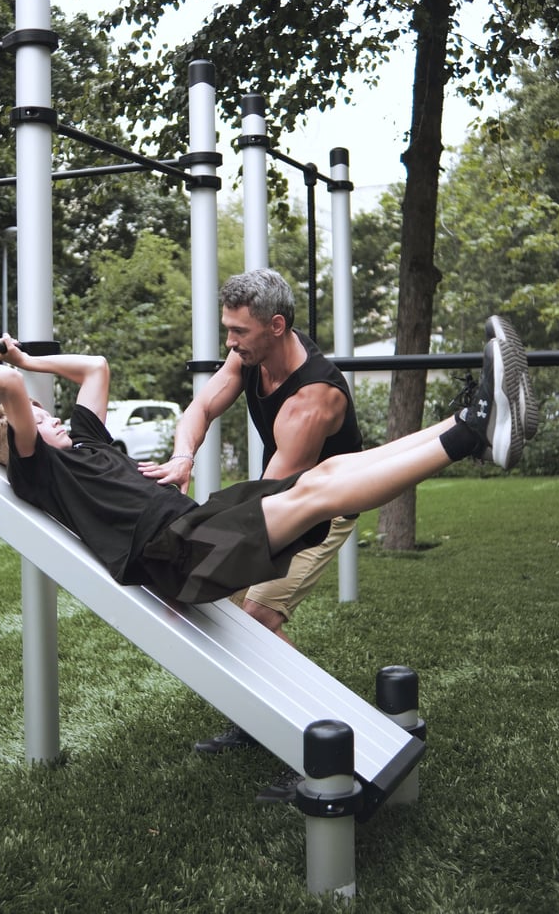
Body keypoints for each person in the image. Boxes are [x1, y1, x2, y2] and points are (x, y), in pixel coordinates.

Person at [0, 317, 535, 614]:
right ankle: (473, 431)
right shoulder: (38, 469)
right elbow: (13, 395)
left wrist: (28, 359)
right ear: (26, 439)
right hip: (171, 555)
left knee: (327, 476)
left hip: (192, 526)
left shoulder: (89, 442)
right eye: (45, 422)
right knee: (316, 495)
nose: (56, 420)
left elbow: (95, 368)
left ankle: (474, 425)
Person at [137, 268, 363, 799]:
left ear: (277, 325)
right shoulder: (249, 357)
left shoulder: (315, 399)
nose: (230, 343)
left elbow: (273, 503)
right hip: (280, 498)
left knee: (255, 620)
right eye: (228, 329)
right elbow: (202, 406)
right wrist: (183, 456)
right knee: (232, 613)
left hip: (320, 511)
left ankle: (329, 741)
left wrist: (204, 551)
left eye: (239, 332)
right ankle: (261, 721)